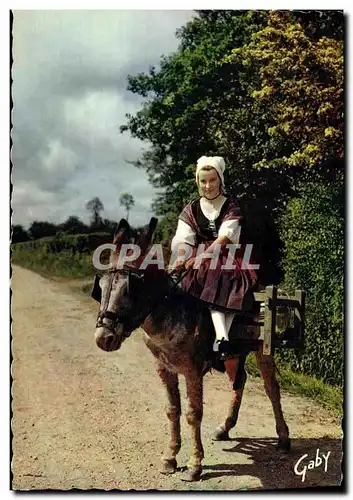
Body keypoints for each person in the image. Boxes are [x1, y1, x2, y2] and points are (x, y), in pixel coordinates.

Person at [170, 156, 259, 359]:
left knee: (223, 276)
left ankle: (221, 337)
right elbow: (184, 238)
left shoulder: (230, 206)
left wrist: (200, 258)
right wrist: (181, 258)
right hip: (200, 255)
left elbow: (225, 238)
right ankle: (213, 337)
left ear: (220, 180)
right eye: (203, 181)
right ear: (197, 182)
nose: (208, 186)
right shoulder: (191, 209)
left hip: (228, 254)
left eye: (212, 180)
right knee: (182, 279)